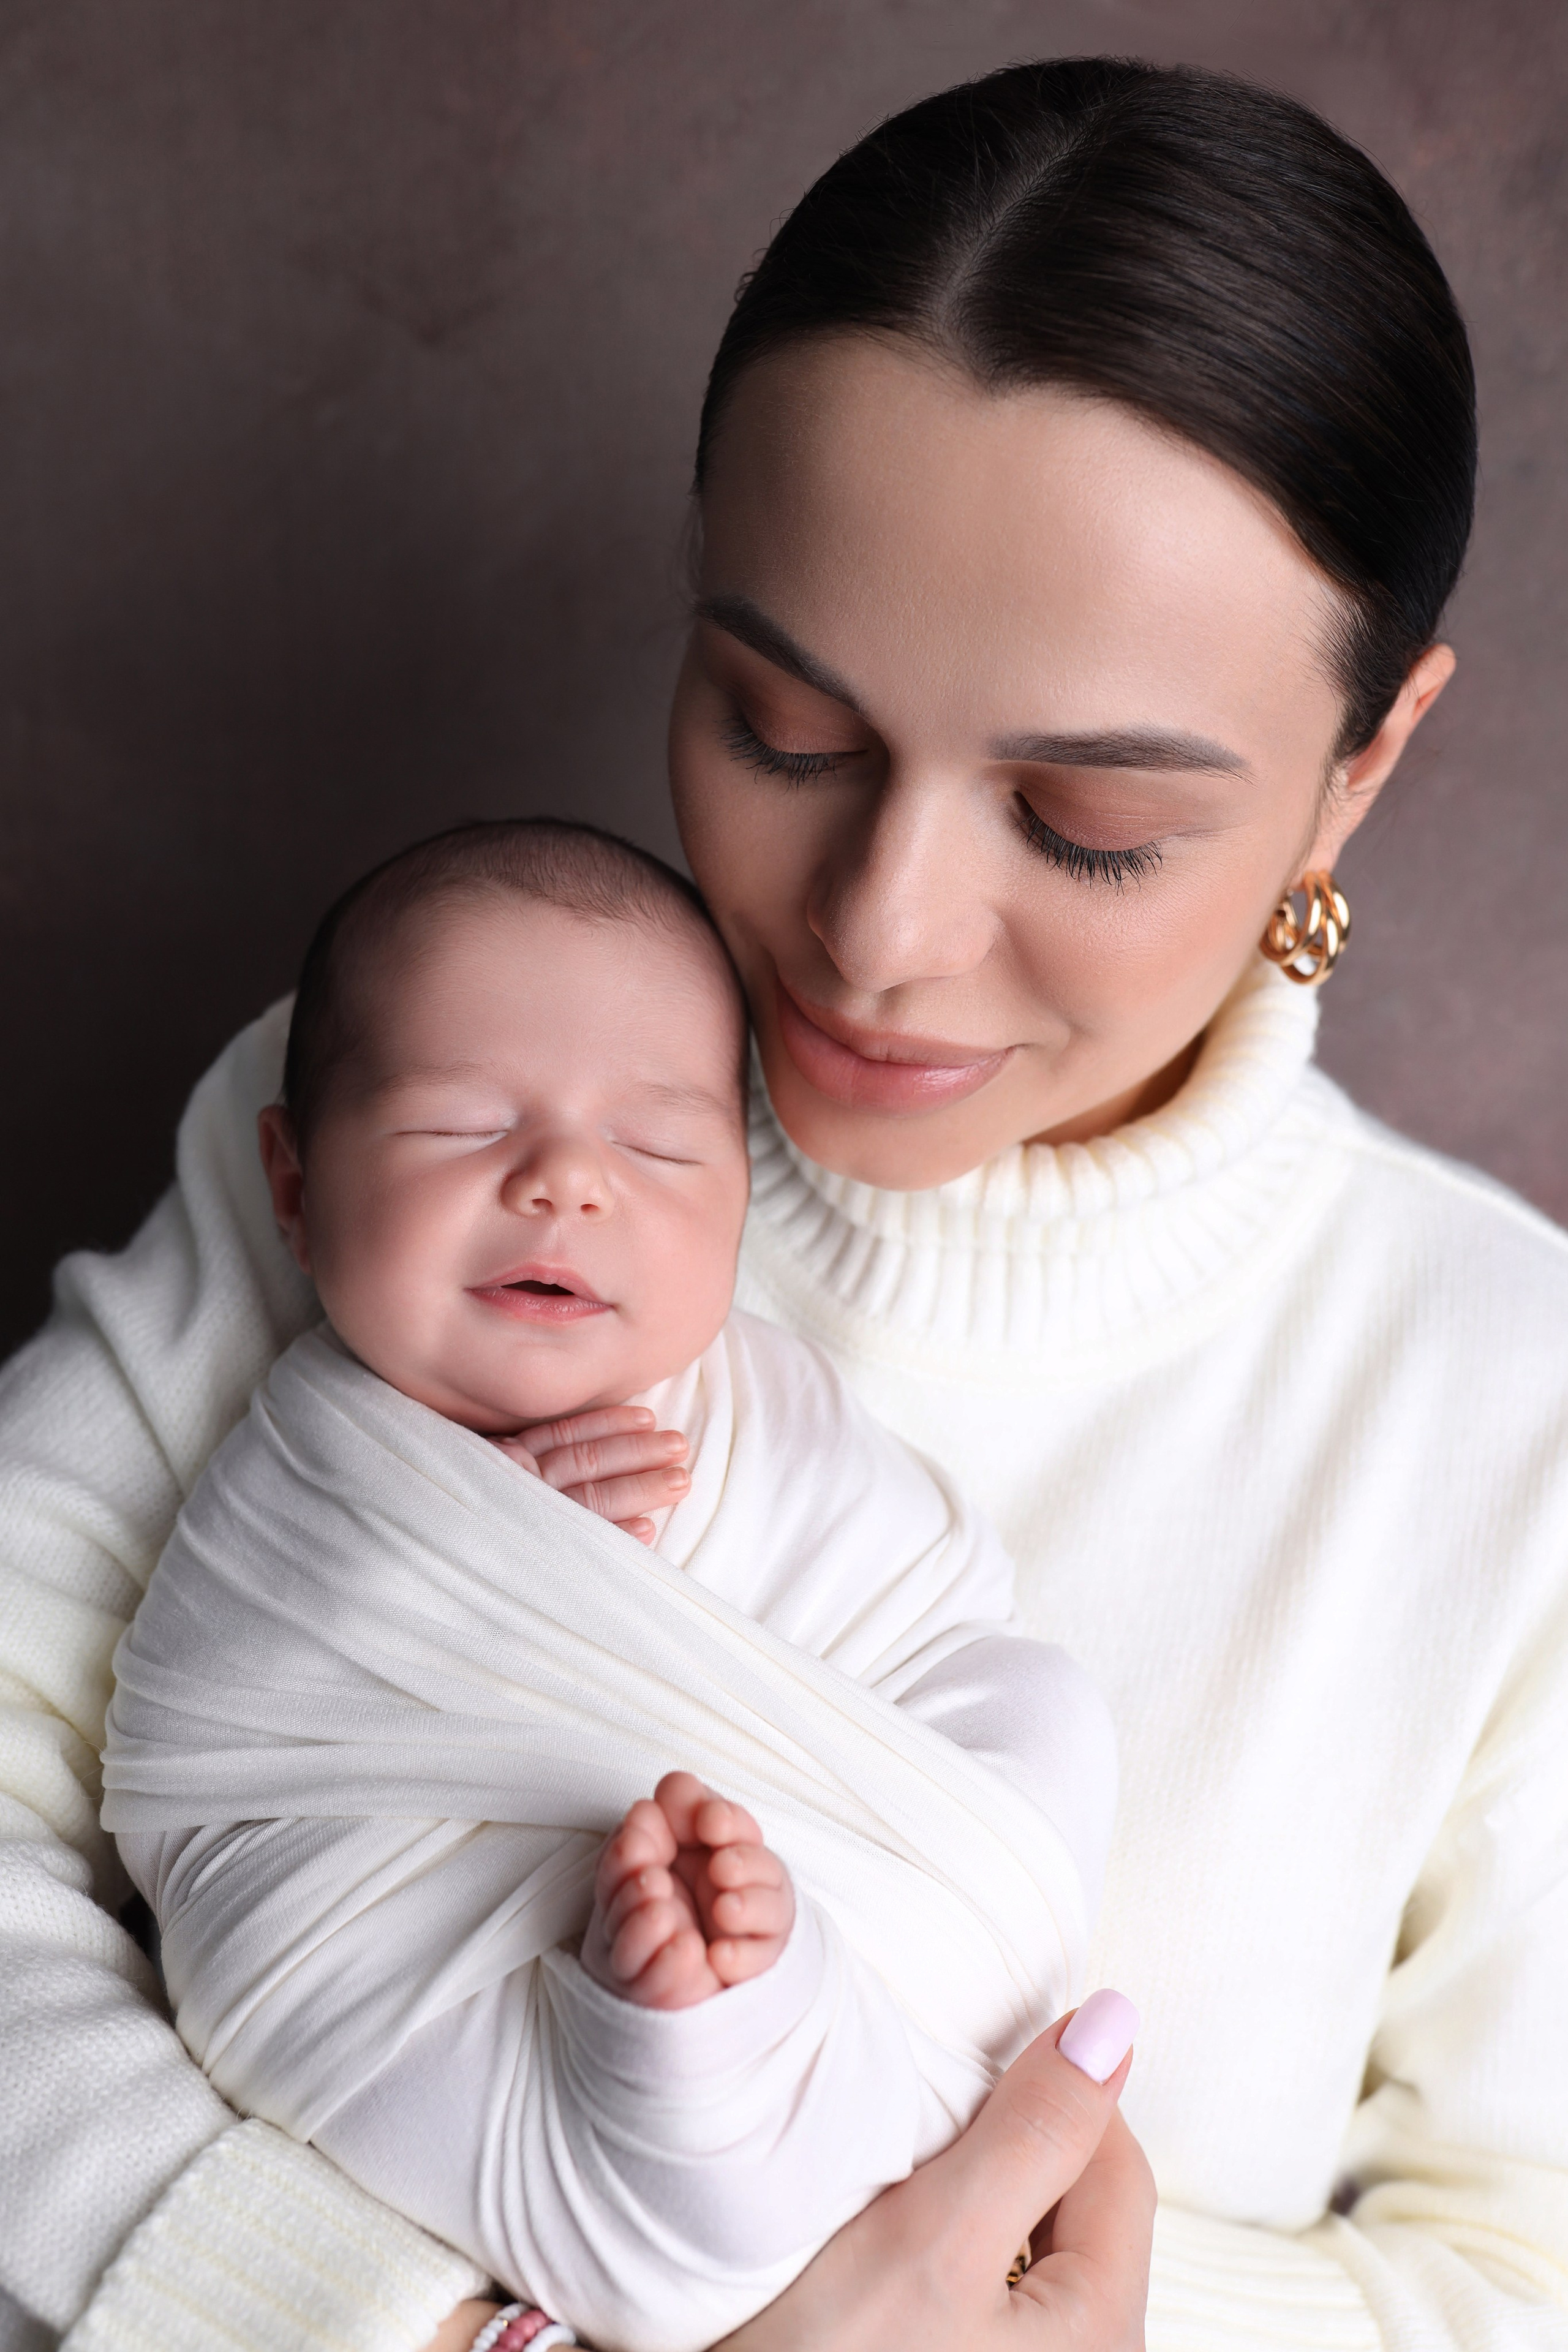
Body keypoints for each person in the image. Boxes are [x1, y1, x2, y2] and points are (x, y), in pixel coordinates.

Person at [2, 51, 1563, 2352]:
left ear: (1363, 765)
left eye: (1091, 822)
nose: (877, 930)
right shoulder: (406, 1139)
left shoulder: (1499, 1402)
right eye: (785, 733)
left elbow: (1515, 2268)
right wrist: (427, 2335)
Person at [102, 816, 1118, 2352]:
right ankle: (687, 2044)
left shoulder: (769, 1411)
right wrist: (457, 1566)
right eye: (456, 1126)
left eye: (652, 1145)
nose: (565, 1181)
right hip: (401, 1982)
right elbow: (201, 1726)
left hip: (898, 1971)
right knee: (687, 2180)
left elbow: (919, 1607)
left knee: (1049, 1711)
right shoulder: (304, 1465)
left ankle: (738, 2010)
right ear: (293, 1191)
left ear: (736, 1206)